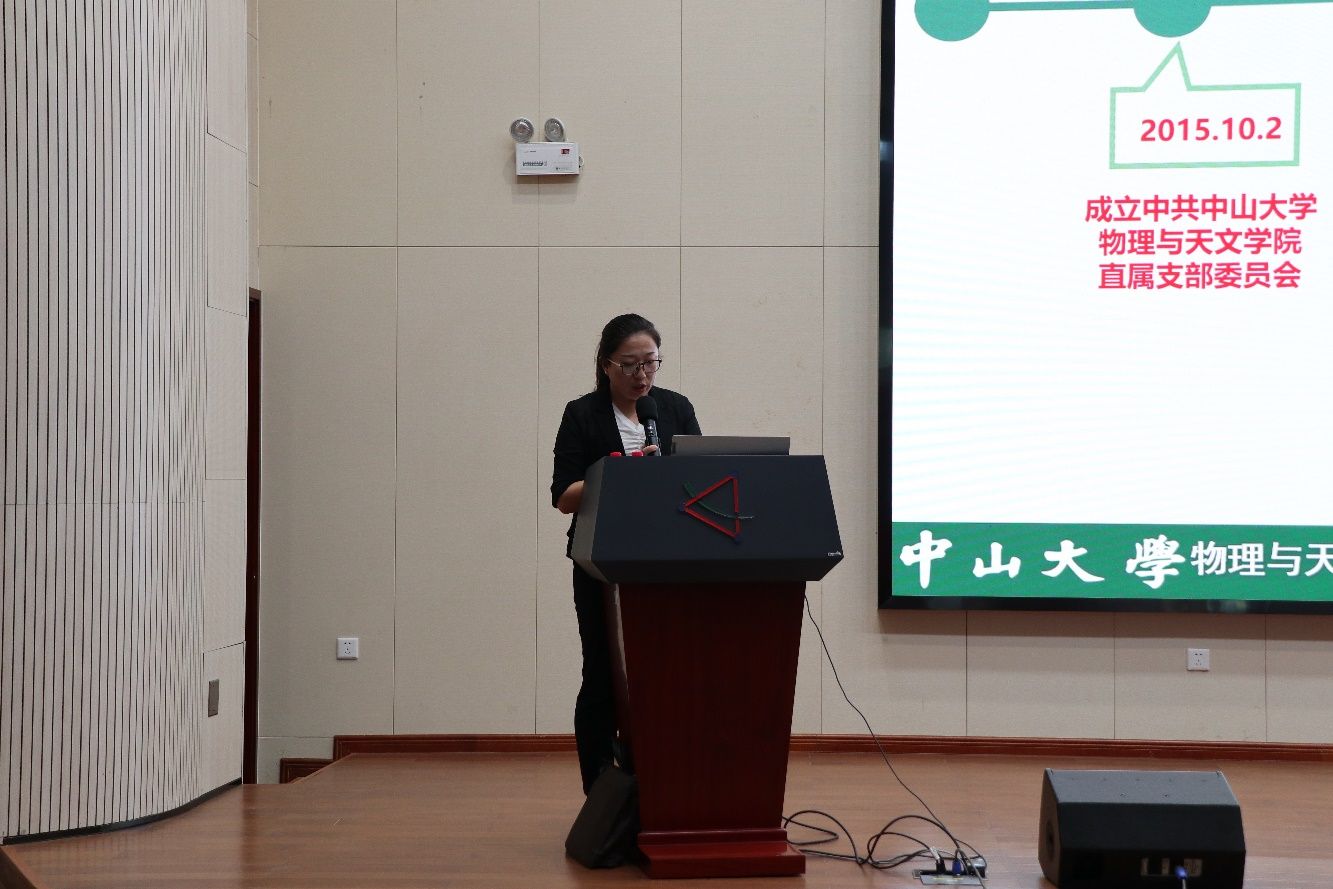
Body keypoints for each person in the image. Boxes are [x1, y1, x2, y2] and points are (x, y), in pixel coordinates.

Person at [550, 313, 702, 794]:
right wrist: (621, 472)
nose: (642, 375)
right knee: (602, 674)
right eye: (630, 365)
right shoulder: (582, 414)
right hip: (601, 561)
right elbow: (564, 497)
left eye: (650, 363)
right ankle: (600, 793)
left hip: (668, 561)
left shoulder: (674, 408)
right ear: (605, 365)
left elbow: (700, 478)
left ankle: (664, 784)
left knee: (667, 673)